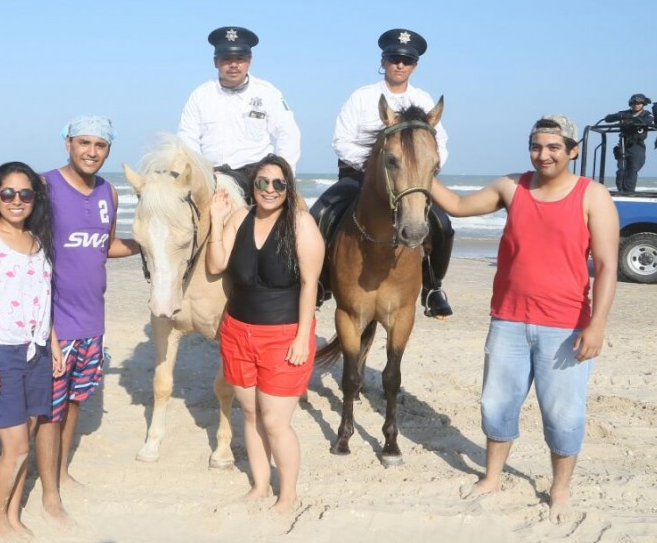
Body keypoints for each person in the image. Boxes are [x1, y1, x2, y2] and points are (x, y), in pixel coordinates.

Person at [429, 115, 618, 523]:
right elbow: (458, 206)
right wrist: (420, 173)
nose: (543, 155)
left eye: (553, 147)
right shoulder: (512, 187)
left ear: (572, 151)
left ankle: (560, 489)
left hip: (566, 327)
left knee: (563, 414)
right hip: (508, 321)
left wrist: (597, 324)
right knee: (496, 404)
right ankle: (492, 477)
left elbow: (606, 266)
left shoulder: (592, 195)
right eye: (536, 146)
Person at [35, 116, 140, 522]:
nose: (91, 152)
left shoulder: (108, 192)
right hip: (54, 323)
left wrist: (145, 243)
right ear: (67, 143)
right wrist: (45, 326)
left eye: (100, 145)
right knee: (50, 411)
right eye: (84, 143)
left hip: (92, 322)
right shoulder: (43, 186)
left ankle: (61, 472)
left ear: (108, 150)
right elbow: (26, 248)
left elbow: (104, 245)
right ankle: (49, 493)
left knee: (75, 401)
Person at [206, 154, 325, 513]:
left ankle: (288, 495)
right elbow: (216, 264)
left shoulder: (301, 224)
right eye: (262, 182)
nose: (269, 189)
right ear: (253, 186)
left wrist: (302, 336)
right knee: (250, 412)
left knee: (275, 420)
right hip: (237, 332)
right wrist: (216, 221)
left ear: (288, 188)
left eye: (278, 183)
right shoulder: (240, 218)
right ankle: (260, 486)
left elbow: (310, 284)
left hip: (283, 336)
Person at [311, 28, 455, 318]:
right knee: (318, 215)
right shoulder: (362, 97)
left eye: (407, 60)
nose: (400, 65)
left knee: (442, 224)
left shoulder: (424, 99)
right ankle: (320, 282)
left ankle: (433, 287)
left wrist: (425, 169)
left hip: (409, 182)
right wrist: (372, 167)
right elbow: (341, 140)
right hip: (360, 178)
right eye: (394, 58)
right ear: (383, 61)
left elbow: (440, 144)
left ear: (415, 66)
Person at [0, 162, 63, 540]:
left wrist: (53, 345)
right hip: (1, 352)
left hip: (37, 351)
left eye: (25, 194)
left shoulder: (38, 241)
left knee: (30, 436)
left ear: (34, 199)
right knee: (16, 446)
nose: (16, 200)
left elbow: (43, 299)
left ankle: (13, 515)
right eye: (8, 193)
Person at [178, 26, 301, 195]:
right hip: (213, 178)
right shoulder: (200, 96)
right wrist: (201, 172)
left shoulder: (268, 93)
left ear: (250, 60)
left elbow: (288, 133)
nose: (234, 65)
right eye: (226, 59)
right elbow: (187, 137)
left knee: (298, 211)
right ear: (216, 62)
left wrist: (284, 174)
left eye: (240, 58)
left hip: (257, 179)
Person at [605, 93, 653, 193]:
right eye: (634, 103)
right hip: (623, 145)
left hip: (637, 146)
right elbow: (608, 119)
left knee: (633, 169)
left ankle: (629, 192)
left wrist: (632, 121)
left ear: (643, 104)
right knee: (621, 170)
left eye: (639, 103)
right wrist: (621, 116)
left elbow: (649, 121)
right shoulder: (625, 113)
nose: (636, 105)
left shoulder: (646, 114)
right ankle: (621, 191)